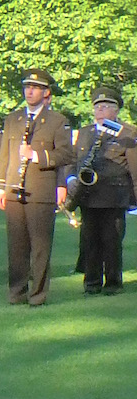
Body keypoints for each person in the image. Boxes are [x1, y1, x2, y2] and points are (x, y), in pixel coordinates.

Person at [0, 68, 73, 306]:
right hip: (13, 190)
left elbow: (66, 154)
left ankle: (38, 295)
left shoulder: (57, 121)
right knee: (16, 245)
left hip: (40, 189)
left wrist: (37, 155)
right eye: (27, 87)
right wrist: (0, 187)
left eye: (35, 88)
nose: (29, 91)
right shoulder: (13, 119)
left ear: (46, 92)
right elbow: (5, 155)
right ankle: (16, 292)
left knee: (40, 246)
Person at [62, 85, 137, 295]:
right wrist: (70, 180)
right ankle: (91, 283)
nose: (101, 110)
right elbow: (73, 160)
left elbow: (135, 168)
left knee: (112, 241)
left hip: (114, 196)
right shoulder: (86, 132)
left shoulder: (127, 133)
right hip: (88, 195)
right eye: (98, 106)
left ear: (117, 110)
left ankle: (113, 283)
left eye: (107, 106)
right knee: (89, 241)